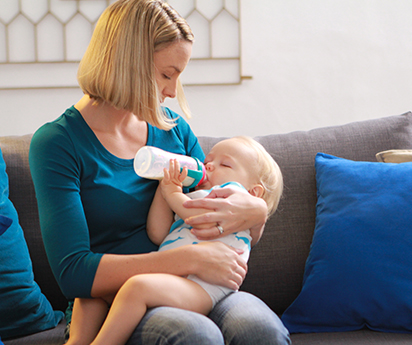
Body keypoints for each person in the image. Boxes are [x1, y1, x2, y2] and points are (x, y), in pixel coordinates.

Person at [28, 0, 291, 344]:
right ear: (128, 65)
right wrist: (188, 257)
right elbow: (73, 273)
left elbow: (214, 193)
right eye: (167, 74)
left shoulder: (173, 129)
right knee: (197, 335)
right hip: (124, 301)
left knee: (261, 329)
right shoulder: (58, 143)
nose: (171, 91)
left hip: (201, 284)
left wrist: (257, 210)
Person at [66, 136, 284, 345]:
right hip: (179, 280)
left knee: (137, 287)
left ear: (253, 192)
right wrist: (164, 190)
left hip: (203, 288)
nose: (208, 166)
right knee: (96, 291)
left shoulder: (233, 198)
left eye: (225, 165)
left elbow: (200, 220)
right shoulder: (196, 199)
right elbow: (158, 233)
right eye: (208, 161)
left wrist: (173, 195)